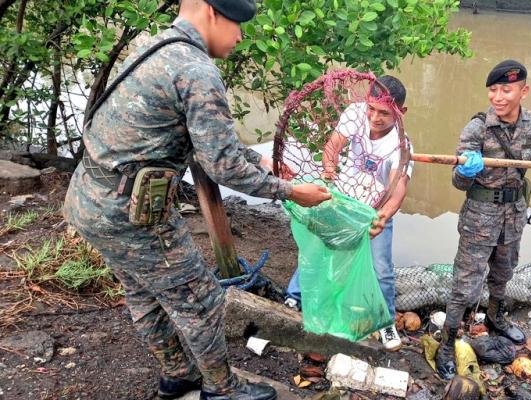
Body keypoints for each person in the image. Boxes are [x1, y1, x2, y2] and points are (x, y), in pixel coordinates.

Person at [62, 1, 331, 399]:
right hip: (132, 214)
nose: (240, 36)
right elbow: (223, 168)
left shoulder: (156, 45)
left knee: (143, 293)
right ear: (210, 11)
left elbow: (207, 139)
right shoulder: (197, 69)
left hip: (90, 200)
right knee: (201, 300)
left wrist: (260, 159)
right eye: (237, 23)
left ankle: (179, 375)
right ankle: (223, 389)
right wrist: (291, 193)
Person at [434, 60, 531, 379]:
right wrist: (466, 170)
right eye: (493, 90)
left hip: (514, 215)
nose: (498, 97)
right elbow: (458, 181)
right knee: (465, 283)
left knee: (503, 271)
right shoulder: (478, 127)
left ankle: (496, 317)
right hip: (480, 217)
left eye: (506, 90)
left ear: (524, 91)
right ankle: (447, 341)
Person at [284, 75, 413, 351]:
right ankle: (295, 296)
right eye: (371, 109)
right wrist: (329, 171)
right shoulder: (355, 114)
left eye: (384, 113)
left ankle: (386, 320)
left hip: (374, 209)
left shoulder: (401, 145)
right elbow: (333, 146)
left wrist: (384, 215)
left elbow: (398, 185)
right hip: (344, 198)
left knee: (381, 268)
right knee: (319, 248)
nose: (375, 118)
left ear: (401, 113)